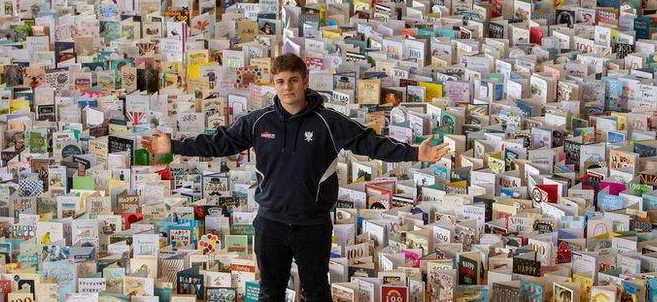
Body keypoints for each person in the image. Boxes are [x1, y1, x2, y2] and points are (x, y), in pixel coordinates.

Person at [143, 53, 450, 302]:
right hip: (270, 223)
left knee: (317, 294)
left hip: (312, 225)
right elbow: (218, 142)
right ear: (273, 85)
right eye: (280, 81)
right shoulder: (257, 121)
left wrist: (416, 154)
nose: (287, 87)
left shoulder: (329, 122)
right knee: (269, 293)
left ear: (305, 81)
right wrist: (174, 145)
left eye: (293, 80)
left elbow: (371, 143)